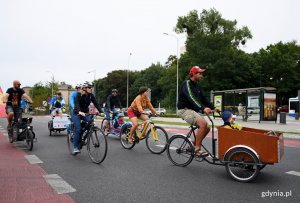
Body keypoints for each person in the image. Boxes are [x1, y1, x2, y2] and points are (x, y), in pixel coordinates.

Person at [177, 66, 216, 157]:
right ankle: (197, 149)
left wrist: (214, 108)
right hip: (184, 110)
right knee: (202, 124)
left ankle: (194, 144)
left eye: (202, 73)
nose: (201, 75)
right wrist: (203, 108)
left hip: (192, 110)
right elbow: (191, 98)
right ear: (193, 74)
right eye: (200, 73)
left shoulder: (197, 86)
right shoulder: (186, 83)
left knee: (207, 127)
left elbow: (204, 99)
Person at [73, 82, 102, 154]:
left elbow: (96, 103)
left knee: (90, 122)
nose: (91, 88)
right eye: (89, 87)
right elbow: (76, 104)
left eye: (91, 87)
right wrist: (79, 111)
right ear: (84, 88)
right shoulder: (78, 95)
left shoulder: (91, 95)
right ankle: (75, 147)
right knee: (78, 129)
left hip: (85, 113)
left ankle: (83, 136)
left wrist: (101, 112)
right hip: (77, 113)